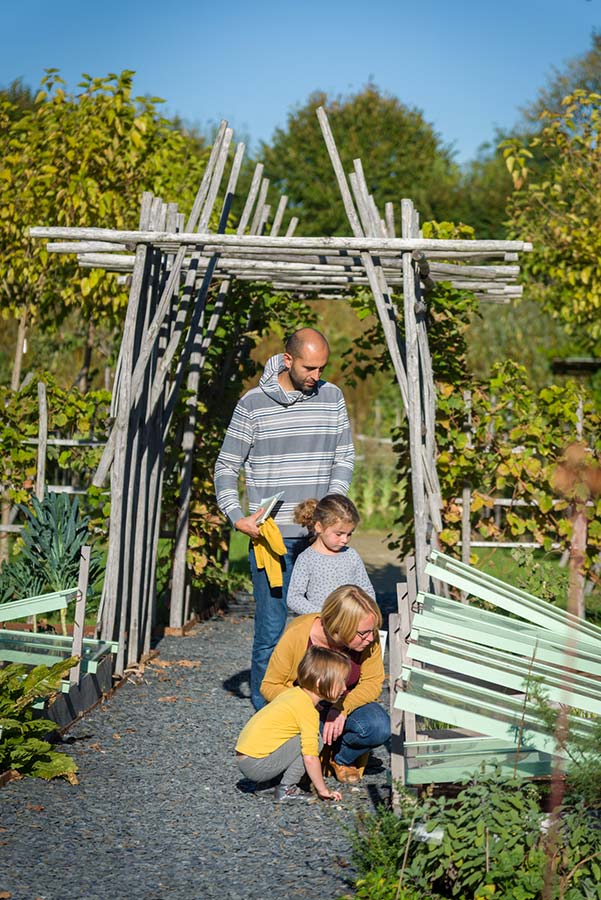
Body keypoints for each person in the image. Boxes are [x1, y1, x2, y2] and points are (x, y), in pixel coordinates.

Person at [214, 328, 354, 710]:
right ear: (288, 360)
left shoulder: (332, 397)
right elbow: (227, 465)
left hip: (319, 538)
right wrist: (236, 516)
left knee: (324, 628)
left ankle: (321, 712)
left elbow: (344, 456)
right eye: (310, 367)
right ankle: (269, 714)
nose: (317, 375)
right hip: (270, 538)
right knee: (272, 631)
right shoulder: (253, 404)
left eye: (322, 367)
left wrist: (331, 507)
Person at [261, 585, 390, 784]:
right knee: (308, 737)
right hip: (305, 708)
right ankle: (311, 759)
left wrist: (341, 708)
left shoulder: (368, 639)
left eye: (372, 631)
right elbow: (270, 685)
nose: (371, 638)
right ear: (339, 627)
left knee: (379, 726)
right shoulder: (298, 634)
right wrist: (307, 707)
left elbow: (373, 682)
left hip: (345, 702)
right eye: (363, 633)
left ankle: (341, 759)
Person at [235, 646, 350, 802]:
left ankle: (267, 784)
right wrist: (323, 790)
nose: (344, 688)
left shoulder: (294, 694)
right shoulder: (307, 710)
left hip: (246, 759)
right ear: (319, 683)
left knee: (294, 735)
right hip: (256, 766)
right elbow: (310, 757)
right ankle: (287, 789)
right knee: (316, 741)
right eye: (341, 682)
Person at [287, 494, 376, 615]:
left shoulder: (351, 555)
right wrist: (323, 614)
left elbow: (366, 589)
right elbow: (294, 598)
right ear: (319, 527)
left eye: (349, 534)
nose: (345, 539)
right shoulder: (306, 559)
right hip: (321, 625)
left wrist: (367, 612)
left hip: (351, 623)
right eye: (339, 534)